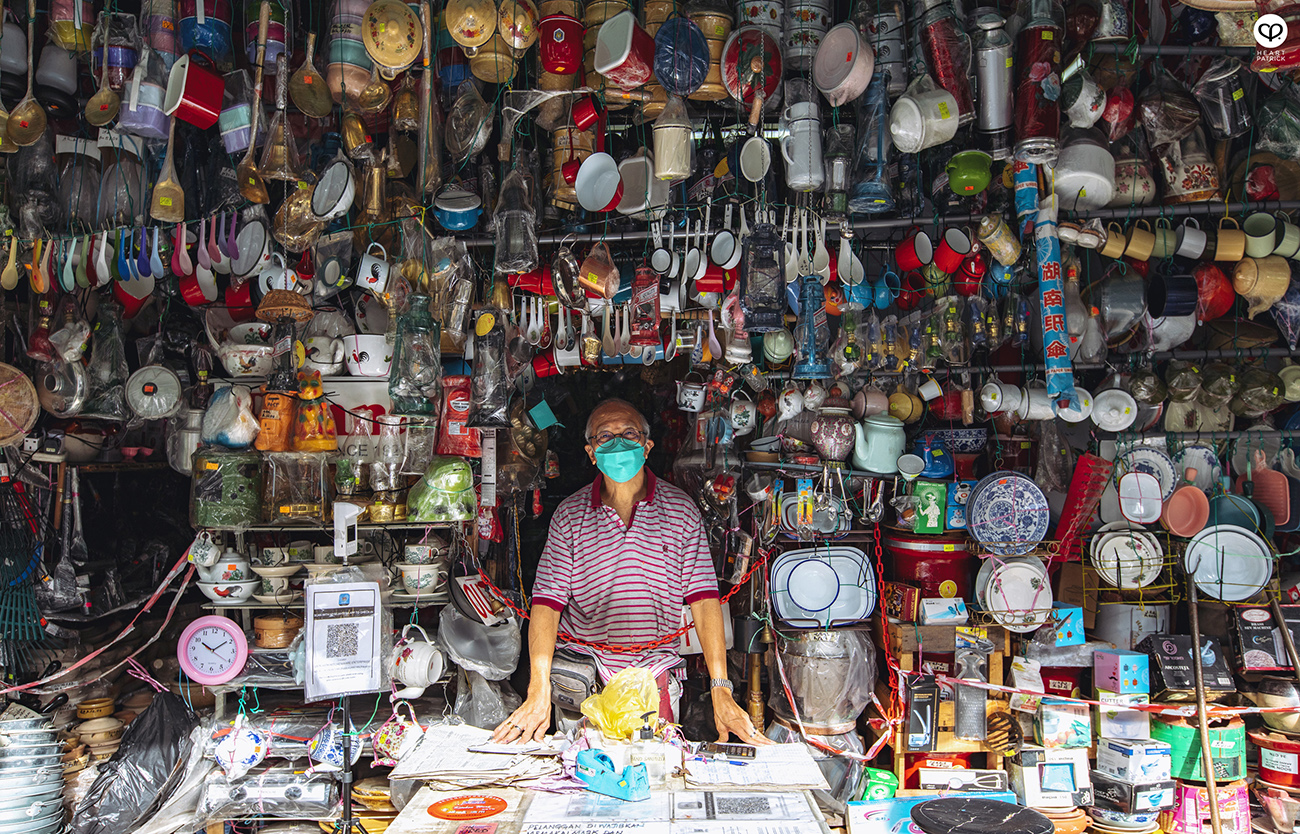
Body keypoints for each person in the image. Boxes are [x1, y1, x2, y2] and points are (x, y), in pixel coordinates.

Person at [492, 398, 767, 745]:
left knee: (654, 777)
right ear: (591, 452)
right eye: (604, 436)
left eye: (629, 434)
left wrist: (721, 689)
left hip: (654, 678)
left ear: (647, 446)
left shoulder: (681, 511)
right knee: (582, 776)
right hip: (585, 676)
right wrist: (538, 688)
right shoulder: (569, 516)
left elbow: (704, 600)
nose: (618, 442)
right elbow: (547, 604)